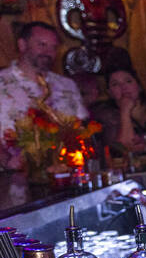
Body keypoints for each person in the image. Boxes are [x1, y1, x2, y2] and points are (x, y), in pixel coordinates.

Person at [0, 21, 87, 169]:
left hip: (66, 175)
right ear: (22, 45)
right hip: (12, 178)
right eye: (42, 45)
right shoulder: (2, 83)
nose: (48, 52)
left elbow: (82, 130)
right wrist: (6, 160)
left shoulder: (67, 86)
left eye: (53, 47)